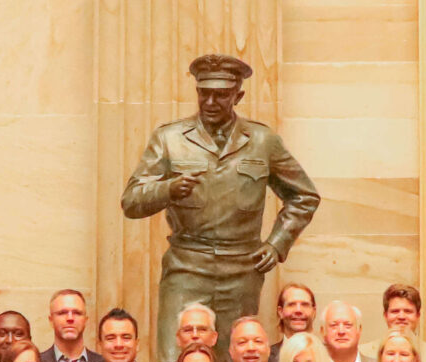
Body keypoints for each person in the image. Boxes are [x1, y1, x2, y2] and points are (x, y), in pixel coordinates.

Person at [120, 53, 322, 335]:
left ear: (238, 96)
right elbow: (131, 201)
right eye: (204, 94)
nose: (211, 102)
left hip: (241, 269)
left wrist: (277, 243)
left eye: (221, 95)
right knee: (175, 358)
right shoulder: (169, 138)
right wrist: (167, 189)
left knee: (235, 360)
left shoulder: (262, 141)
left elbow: (304, 196)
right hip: (186, 266)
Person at [47, 289, 95, 362]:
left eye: (77, 313)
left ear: (85, 320)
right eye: (62, 313)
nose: (70, 318)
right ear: (51, 320)